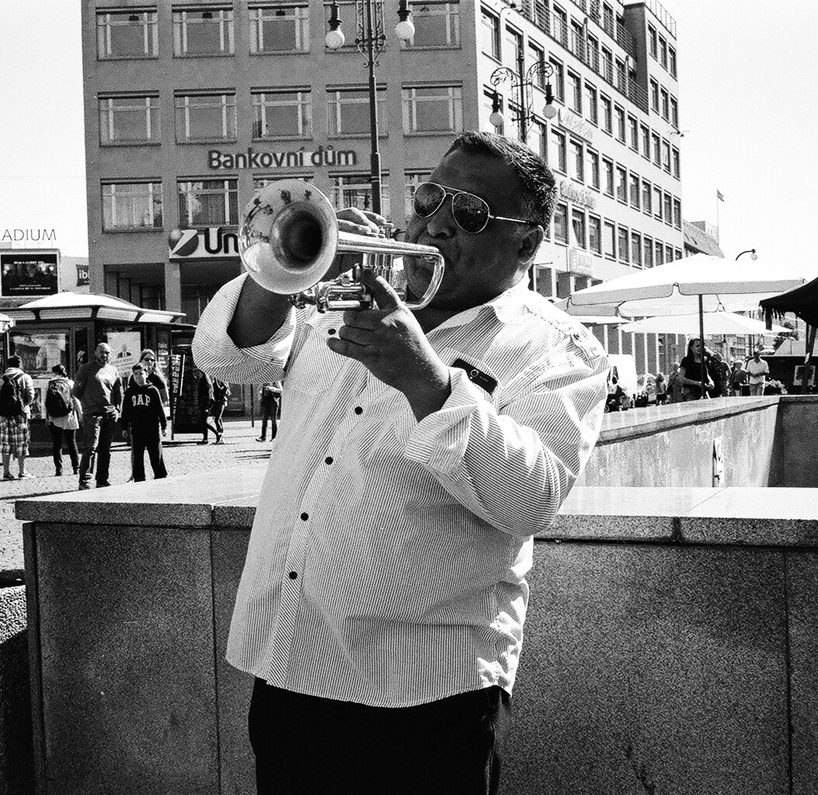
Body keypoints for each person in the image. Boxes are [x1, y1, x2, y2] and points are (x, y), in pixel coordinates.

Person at [192, 130, 608, 795]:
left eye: (469, 214)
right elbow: (228, 358)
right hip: (294, 667)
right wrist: (290, 269)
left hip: (430, 698)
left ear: (525, 242)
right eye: (430, 196)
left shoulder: (560, 351)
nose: (436, 221)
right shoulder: (348, 299)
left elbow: (529, 498)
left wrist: (430, 384)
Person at [73, 342, 124, 489]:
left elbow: (118, 391)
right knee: (91, 447)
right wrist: (86, 407)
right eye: (101, 352)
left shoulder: (113, 370)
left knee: (106, 449)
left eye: (107, 352)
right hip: (93, 415)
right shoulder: (86, 369)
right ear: (96, 353)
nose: (104, 355)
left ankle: (102, 479)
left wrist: (117, 409)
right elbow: (76, 391)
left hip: (109, 415)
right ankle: (85, 480)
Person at [120, 364, 168, 481]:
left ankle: (160, 476)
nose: (138, 377)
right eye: (135, 374)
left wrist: (164, 426)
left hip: (152, 428)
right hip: (136, 429)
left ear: (146, 374)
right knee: (137, 456)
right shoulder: (130, 392)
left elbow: (159, 409)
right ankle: (139, 478)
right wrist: (124, 427)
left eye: (141, 373)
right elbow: (125, 411)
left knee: (156, 454)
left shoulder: (153, 390)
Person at [0, 355, 35, 479]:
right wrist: (24, 404)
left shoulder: (2, 378)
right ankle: (22, 471)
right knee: (21, 442)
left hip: (5, 415)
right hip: (21, 414)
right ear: (20, 364)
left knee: (6, 443)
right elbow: (30, 395)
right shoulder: (25, 377)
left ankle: (6, 472)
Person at [45, 363, 80, 477]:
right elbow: (75, 400)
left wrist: (47, 417)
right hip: (69, 417)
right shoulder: (70, 383)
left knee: (57, 444)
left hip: (54, 418)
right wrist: (80, 414)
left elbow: (46, 402)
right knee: (72, 443)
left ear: (54, 373)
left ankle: (58, 470)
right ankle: (76, 468)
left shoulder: (50, 384)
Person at [196, 367, 216, 445]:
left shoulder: (205, 382)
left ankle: (217, 433)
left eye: (199, 373)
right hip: (203, 405)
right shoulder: (204, 381)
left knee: (204, 422)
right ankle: (205, 439)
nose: (198, 374)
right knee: (203, 422)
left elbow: (207, 396)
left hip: (205, 405)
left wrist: (206, 407)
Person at [210, 377, 229, 444]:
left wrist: (214, 381)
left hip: (220, 402)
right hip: (218, 401)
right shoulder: (220, 380)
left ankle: (220, 436)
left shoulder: (222, 381)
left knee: (217, 419)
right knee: (219, 419)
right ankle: (220, 436)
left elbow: (219, 390)